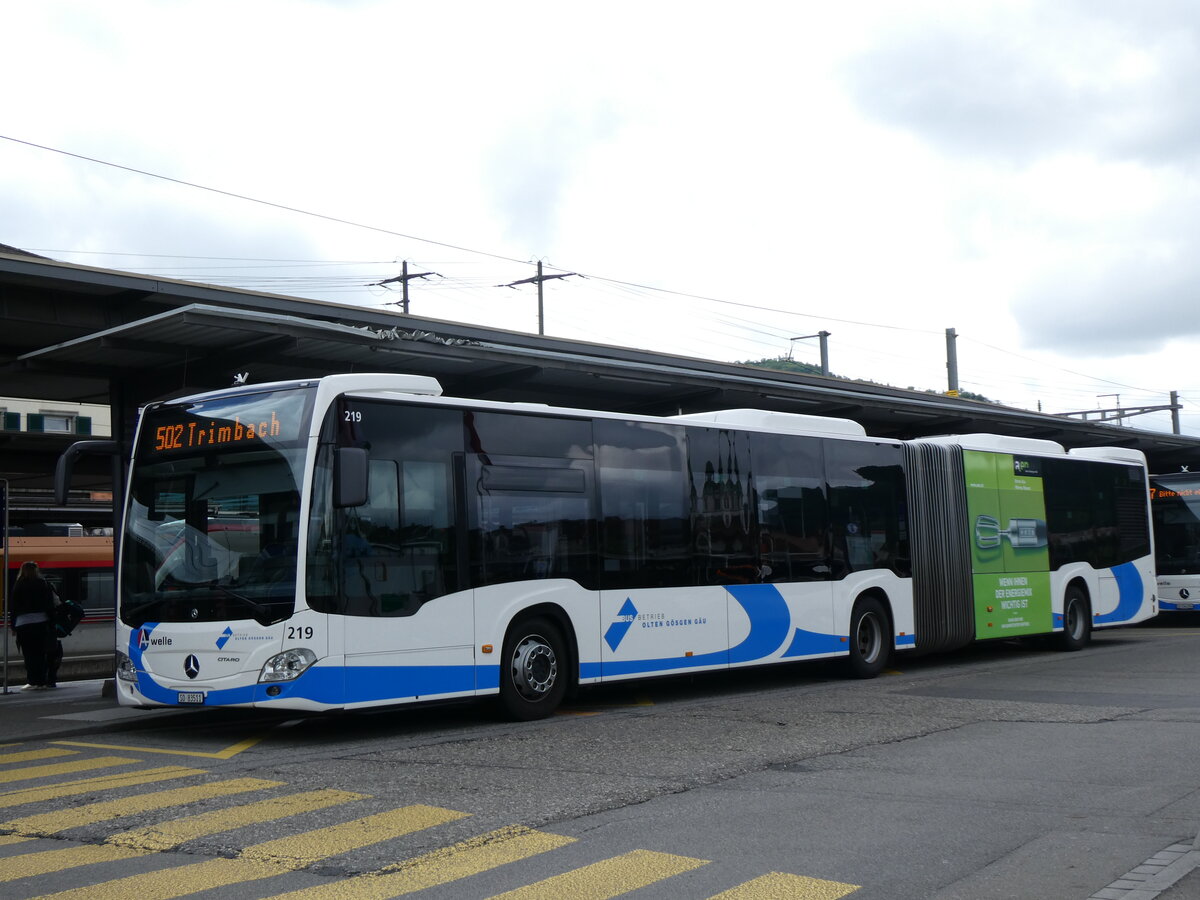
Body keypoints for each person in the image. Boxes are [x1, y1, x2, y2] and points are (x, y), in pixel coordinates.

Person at [8, 561, 59, 691]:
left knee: (29, 654)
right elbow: (50, 605)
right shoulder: (43, 584)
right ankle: (42, 681)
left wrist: (13, 625)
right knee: (41, 653)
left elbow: (13, 607)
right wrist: (52, 622)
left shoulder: (19, 585)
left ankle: (32, 681)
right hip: (41, 623)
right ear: (36, 570)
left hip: (23, 624)